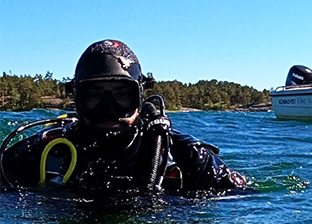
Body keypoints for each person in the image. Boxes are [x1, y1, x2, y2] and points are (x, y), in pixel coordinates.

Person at [0, 40, 246, 195]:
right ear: (76, 98)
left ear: (140, 97)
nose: (109, 108)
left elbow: (245, 203)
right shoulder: (45, 151)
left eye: (122, 95)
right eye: (94, 95)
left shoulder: (186, 156)